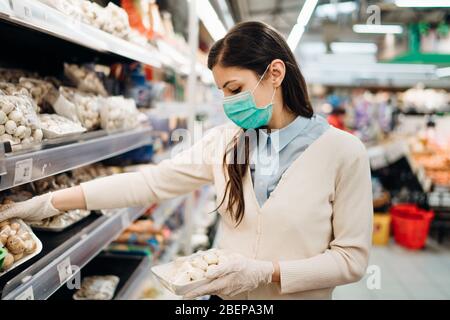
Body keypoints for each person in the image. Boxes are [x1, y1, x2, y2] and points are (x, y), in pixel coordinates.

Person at [0, 21, 373, 300]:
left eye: (236, 89)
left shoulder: (343, 152)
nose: (229, 103)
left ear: (275, 73)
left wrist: (265, 273)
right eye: (223, 92)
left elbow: (350, 261)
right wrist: (46, 203)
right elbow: (149, 182)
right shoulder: (226, 143)